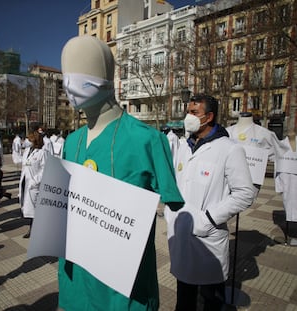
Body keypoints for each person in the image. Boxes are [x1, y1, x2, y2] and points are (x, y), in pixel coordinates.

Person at [57, 35, 184, 311]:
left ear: (104, 76)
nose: (68, 85)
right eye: (65, 75)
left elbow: (172, 202)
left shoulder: (148, 140)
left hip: (123, 287)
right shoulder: (71, 142)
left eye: (77, 73)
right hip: (77, 276)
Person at [164, 94, 257, 310]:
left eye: (194, 112)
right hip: (181, 233)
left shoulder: (229, 149)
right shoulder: (183, 146)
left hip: (208, 236)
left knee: (211, 299)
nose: (188, 116)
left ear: (209, 117)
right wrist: (170, 214)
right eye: (188, 111)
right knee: (184, 299)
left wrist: (209, 218)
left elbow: (245, 193)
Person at [18, 130, 48, 238]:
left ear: (35, 140)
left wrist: (35, 181)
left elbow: (44, 169)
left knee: (35, 209)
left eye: (29, 139)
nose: (27, 141)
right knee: (28, 208)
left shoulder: (42, 153)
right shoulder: (27, 151)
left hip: (34, 184)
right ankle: (31, 229)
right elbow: (24, 166)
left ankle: (36, 231)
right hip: (25, 181)